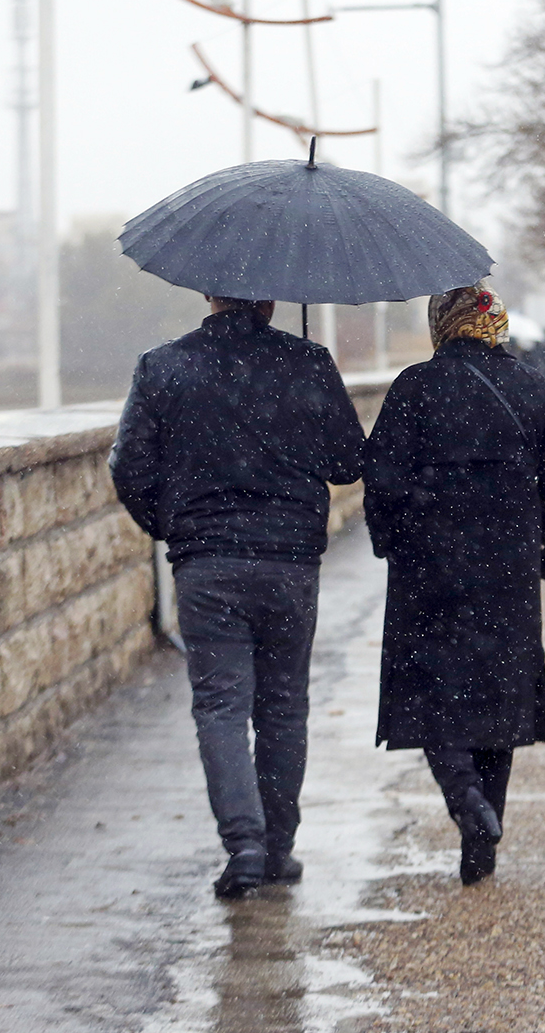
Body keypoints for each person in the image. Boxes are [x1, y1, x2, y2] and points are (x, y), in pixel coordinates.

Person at [109, 296, 366, 899]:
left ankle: (243, 844)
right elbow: (349, 462)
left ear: (207, 294)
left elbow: (128, 465)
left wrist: (173, 524)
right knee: (283, 707)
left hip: (207, 564)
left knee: (221, 707)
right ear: (271, 298)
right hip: (289, 563)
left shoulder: (163, 367)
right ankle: (278, 847)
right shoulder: (308, 363)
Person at [362, 284, 545, 886]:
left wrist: (396, 539)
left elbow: (380, 481)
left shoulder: (413, 388)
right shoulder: (532, 389)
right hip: (507, 574)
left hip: (428, 571)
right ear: (496, 325)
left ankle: (466, 802)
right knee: (499, 703)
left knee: (435, 691)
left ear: (442, 324)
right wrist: (528, 522)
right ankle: (480, 847)